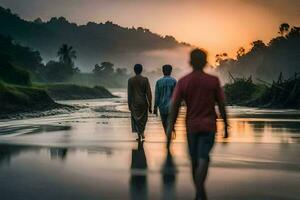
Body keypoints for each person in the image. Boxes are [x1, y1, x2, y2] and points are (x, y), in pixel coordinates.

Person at [166, 49, 229, 200]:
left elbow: (174, 105)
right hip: (209, 126)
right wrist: (226, 125)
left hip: (192, 126)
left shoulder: (184, 81)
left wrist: (171, 125)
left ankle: (199, 190)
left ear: (190, 62)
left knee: (195, 160)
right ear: (206, 62)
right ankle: (200, 191)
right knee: (203, 157)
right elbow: (221, 104)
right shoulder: (213, 81)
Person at [128, 64, 152, 141]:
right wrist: (150, 105)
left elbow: (130, 94)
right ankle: (142, 132)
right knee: (143, 119)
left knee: (136, 119)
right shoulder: (145, 79)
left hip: (134, 103)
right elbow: (149, 93)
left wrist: (129, 104)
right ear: (141, 70)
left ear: (134, 70)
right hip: (143, 102)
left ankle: (139, 135)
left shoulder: (130, 80)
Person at [154, 65, 177, 134]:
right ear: (171, 71)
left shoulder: (159, 82)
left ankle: (167, 135)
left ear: (163, 71)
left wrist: (155, 107)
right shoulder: (174, 81)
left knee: (164, 123)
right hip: (172, 106)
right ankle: (170, 130)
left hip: (162, 106)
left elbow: (157, 95)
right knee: (170, 121)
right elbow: (177, 95)